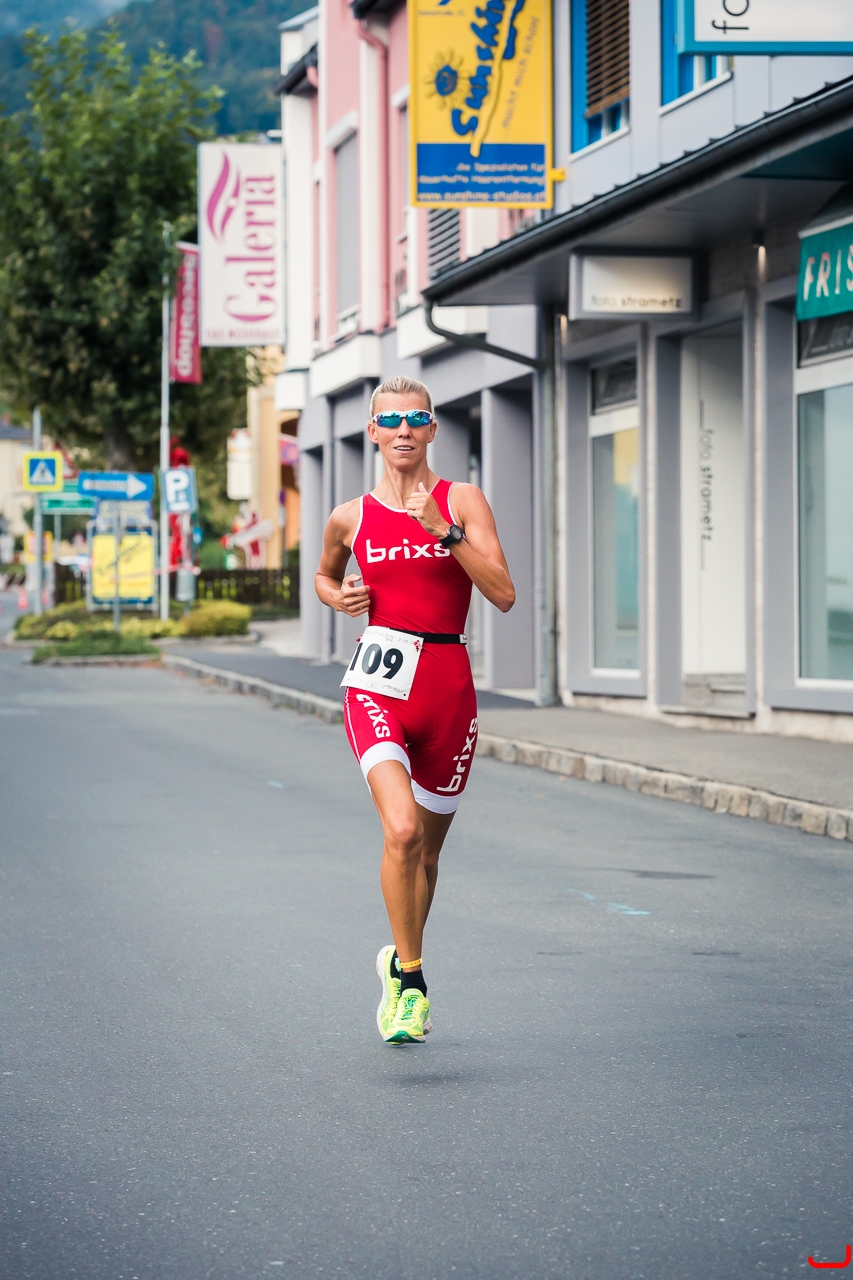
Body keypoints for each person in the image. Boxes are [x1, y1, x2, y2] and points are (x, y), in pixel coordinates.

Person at [315, 376, 515, 1044]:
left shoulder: (462, 501)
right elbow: (323, 573)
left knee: (425, 857)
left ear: (432, 429)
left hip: (447, 686)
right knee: (400, 832)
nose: (403, 430)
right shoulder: (349, 516)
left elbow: (504, 593)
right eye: (391, 420)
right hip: (378, 682)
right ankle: (413, 985)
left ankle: (396, 962)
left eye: (416, 419)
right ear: (372, 432)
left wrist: (447, 533)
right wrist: (335, 596)